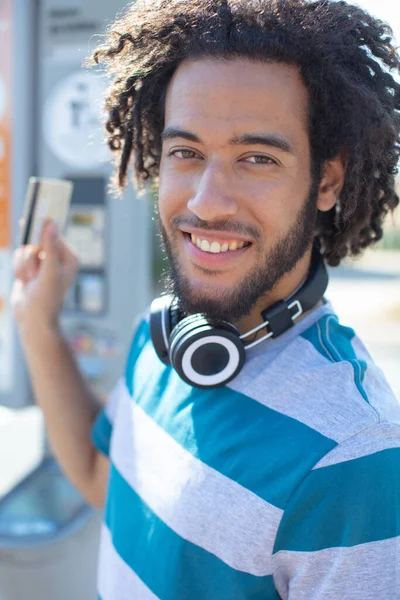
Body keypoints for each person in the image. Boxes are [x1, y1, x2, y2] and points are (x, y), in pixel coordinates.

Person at [11, 0, 400, 598]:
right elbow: (102, 480)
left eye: (257, 158)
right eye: (186, 152)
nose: (207, 202)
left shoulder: (357, 451)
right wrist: (38, 325)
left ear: (327, 180)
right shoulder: (163, 333)